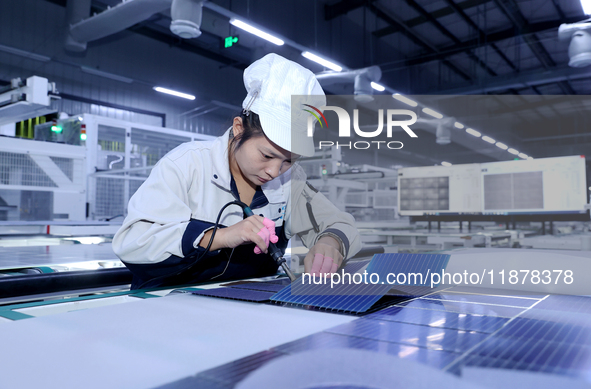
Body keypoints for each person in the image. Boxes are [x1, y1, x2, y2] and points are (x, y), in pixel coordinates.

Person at [113, 53, 361, 289]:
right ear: (239, 128)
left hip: (245, 313)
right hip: (167, 307)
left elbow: (339, 223)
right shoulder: (186, 165)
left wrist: (332, 242)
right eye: (267, 155)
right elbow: (134, 242)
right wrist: (218, 237)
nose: (275, 171)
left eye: (289, 160)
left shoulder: (289, 180)